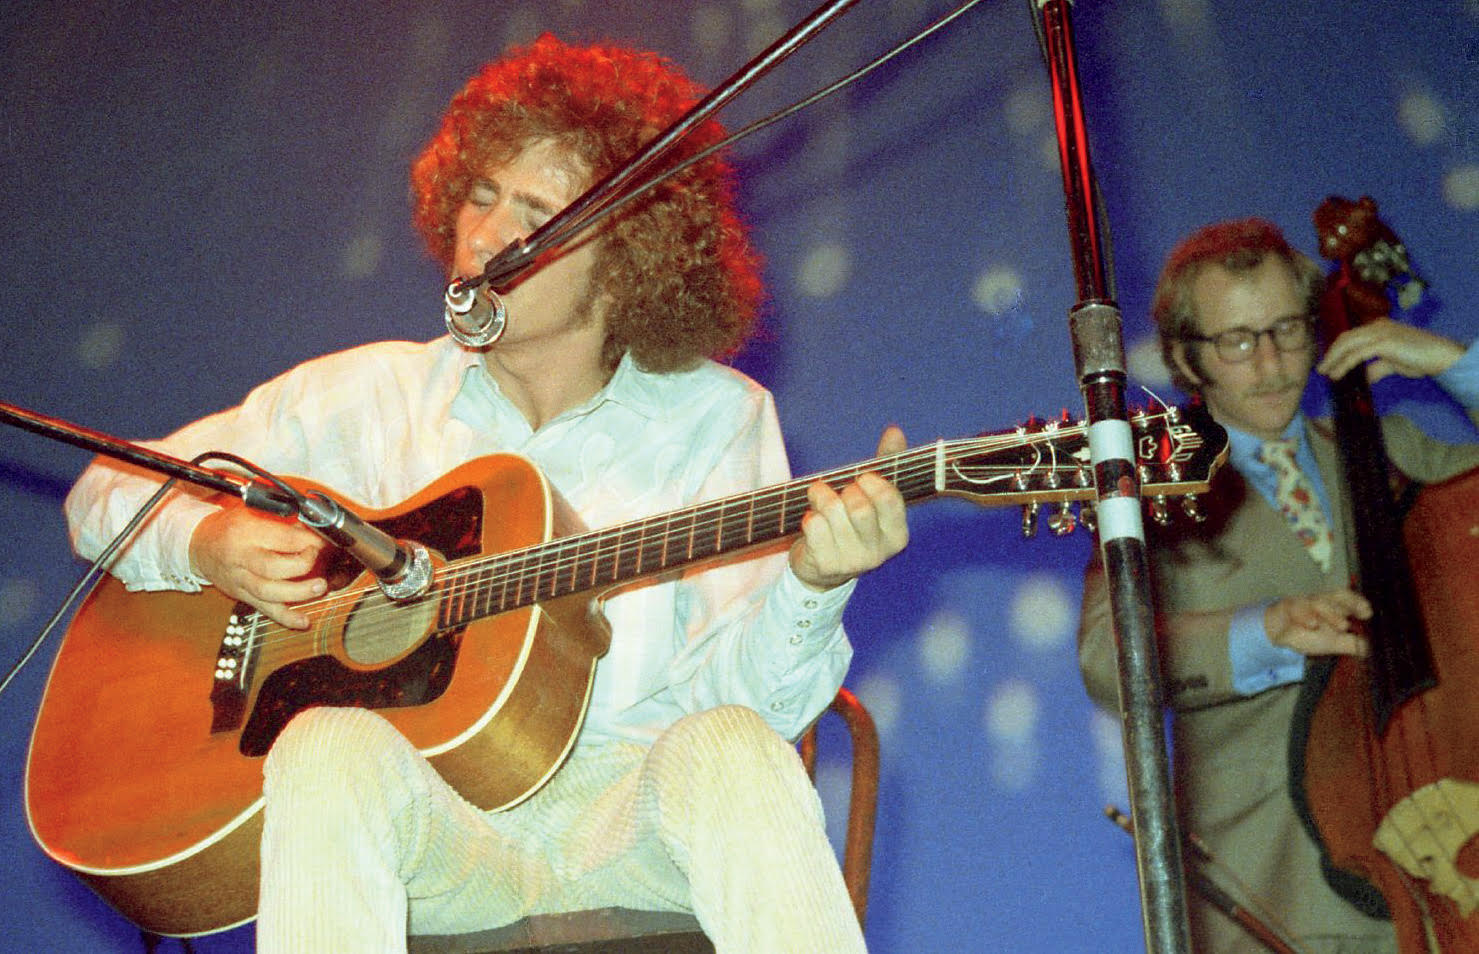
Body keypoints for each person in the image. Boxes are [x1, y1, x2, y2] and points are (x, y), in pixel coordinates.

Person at [63, 35, 908, 954]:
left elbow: (746, 704)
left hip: (626, 825)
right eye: (480, 195)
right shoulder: (361, 396)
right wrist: (205, 543)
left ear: (626, 258)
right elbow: (105, 490)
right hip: (442, 837)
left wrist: (812, 586)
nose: (488, 234)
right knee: (322, 745)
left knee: (733, 749)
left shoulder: (715, 417)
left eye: (536, 212)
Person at [1076, 217, 1479, 954]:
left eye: (1288, 331)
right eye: (1235, 340)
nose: (1269, 363)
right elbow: (1108, 658)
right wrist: (1264, 630)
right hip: (1271, 890)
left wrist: (1455, 365)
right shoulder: (1151, 496)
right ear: (1183, 359)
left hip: (1445, 870)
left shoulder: (1391, 453)